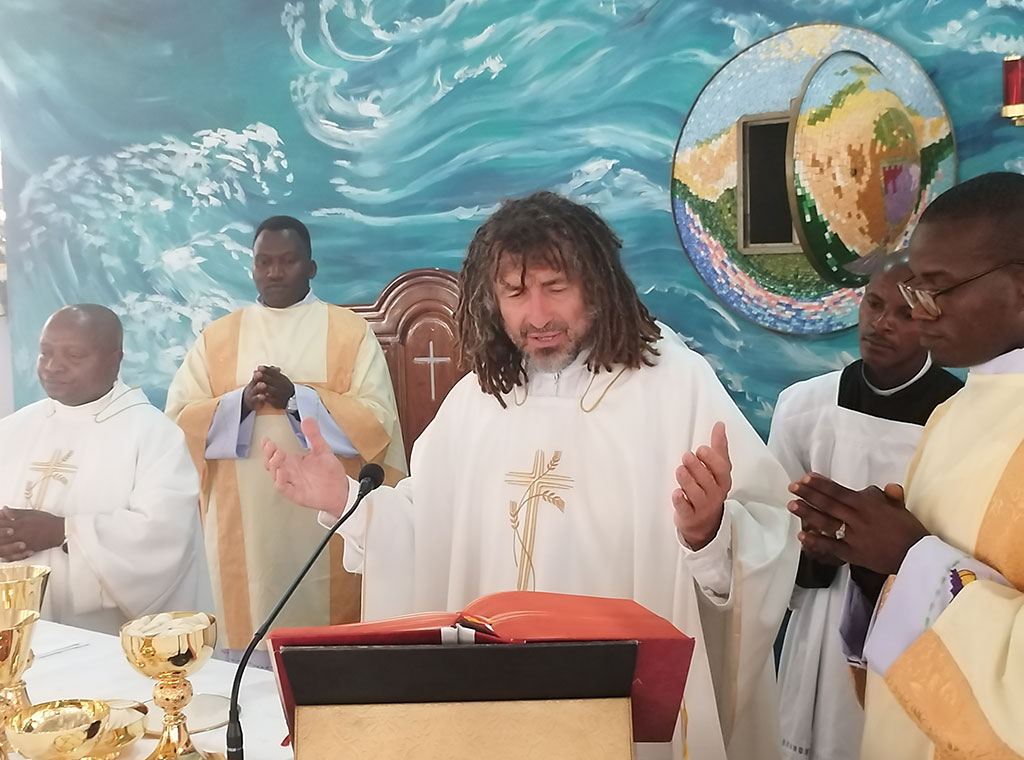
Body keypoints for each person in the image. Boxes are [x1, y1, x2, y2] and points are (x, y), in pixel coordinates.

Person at [263, 192, 798, 760]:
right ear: (492, 299)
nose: (537, 316)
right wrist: (346, 500)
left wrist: (708, 534)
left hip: (620, 714)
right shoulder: (479, 399)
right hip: (497, 712)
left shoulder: (675, 385)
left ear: (596, 283)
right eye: (515, 293)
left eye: (556, 287)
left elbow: (767, 537)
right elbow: (430, 532)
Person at [787, 172, 1024, 759]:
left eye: (936, 290)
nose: (919, 313)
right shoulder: (955, 411)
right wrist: (872, 567)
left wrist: (909, 558)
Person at [165, 215, 406, 655]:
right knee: (249, 647)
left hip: (324, 527)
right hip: (245, 533)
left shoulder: (349, 332)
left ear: (311, 267)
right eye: (264, 262)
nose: (274, 272)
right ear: (252, 267)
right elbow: (178, 424)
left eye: (288, 261)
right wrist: (239, 404)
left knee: (329, 653)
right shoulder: (218, 338)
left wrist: (298, 399)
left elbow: (378, 424)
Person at [769, 253, 962, 760]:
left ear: (933, 319)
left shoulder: (955, 420)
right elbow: (770, 527)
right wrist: (811, 551)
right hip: (817, 620)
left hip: (907, 630)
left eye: (904, 313)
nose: (881, 323)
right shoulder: (804, 407)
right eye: (873, 304)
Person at [0, 305, 206, 635]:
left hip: (107, 640)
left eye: (74, 355)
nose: (53, 367)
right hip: (14, 630)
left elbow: (165, 535)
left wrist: (62, 531)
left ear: (115, 359)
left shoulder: (153, 434)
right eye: (45, 353)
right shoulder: (12, 429)